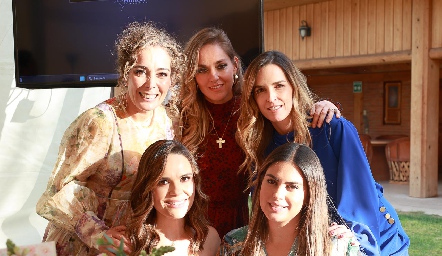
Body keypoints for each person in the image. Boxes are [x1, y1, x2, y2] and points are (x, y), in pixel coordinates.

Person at [236, 50, 410, 255]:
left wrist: (353, 232)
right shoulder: (260, 146)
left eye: (279, 86)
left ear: (294, 86)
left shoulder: (331, 127)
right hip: (314, 240)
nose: (271, 98)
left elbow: (361, 192)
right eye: (260, 90)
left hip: (372, 237)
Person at [36, 21, 185, 255]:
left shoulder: (169, 121)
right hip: (86, 245)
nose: (151, 84)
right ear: (125, 74)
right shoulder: (99, 123)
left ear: (172, 79)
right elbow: (57, 192)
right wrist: (98, 235)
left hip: (132, 244)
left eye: (161, 74)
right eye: (140, 71)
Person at [178, 27, 340, 238]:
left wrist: (322, 106)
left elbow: (287, 115)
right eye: (202, 69)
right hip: (189, 224)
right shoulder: (182, 116)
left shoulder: (255, 111)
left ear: (235, 65)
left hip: (239, 226)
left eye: (221, 66)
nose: (213, 76)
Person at [218, 143, 362, 255]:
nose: (277, 194)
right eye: (271, 181)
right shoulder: (234, 244)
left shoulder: (337, 247)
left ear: (309, 195)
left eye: (292, 186)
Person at [127, 140, 220, 256]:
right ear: (148, 188)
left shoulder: (210, 239)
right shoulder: (128, 245)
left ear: (195, 182)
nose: (176, 191)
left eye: (185, 178)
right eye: (164, 182)